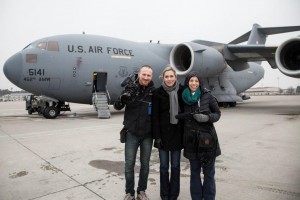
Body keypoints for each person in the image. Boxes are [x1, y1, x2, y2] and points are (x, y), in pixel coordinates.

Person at [114, 65, 155, 200]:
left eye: (149, 75)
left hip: (147, 135)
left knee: (145, 165)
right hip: (131, 132)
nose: (146, 77)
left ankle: (141, 191)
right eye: (144, 74)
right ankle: (129, 193)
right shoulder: (130, 89)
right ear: (139, 74)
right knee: (129, 164)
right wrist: (122, 97)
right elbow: (117, 106)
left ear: (151, 77)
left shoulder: (154, 92)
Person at [179, 71, 221, 200]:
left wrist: (206, 117)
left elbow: (217, 114)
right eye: (191, 81)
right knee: (194, 172)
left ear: (200, 83)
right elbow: (179, 114)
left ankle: (209, 197)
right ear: (187, 82)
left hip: (207, 140)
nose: (194, 83)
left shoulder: (207, 96)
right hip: (191, 140)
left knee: (208, 173)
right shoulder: (183, 97)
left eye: (196, 81)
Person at [152, 66, 184, 200]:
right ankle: (164, 194)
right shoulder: (157, 93)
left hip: (177, 135)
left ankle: (174, 194)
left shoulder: (182, 91)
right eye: (167, 77)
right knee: (164, 167)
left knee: (176, 167)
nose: (169, 79)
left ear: (175, 77)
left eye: (171, 76)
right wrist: (157, 137)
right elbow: (154, 117)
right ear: (163, 78)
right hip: (163, 136)